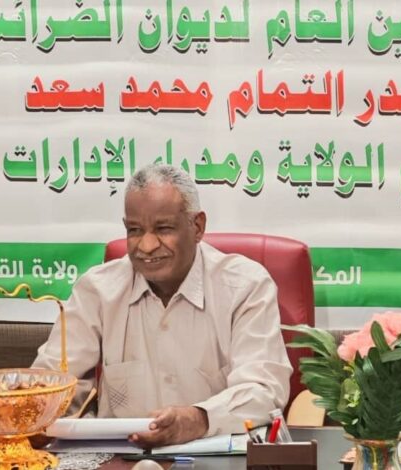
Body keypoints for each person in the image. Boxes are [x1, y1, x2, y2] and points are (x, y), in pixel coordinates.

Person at [32, 164, 292, 447]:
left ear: (197, 227)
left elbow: (263, 389)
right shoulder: (97, 290)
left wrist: (198, 419)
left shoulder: (245, 286)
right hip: (120, 456)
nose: (146, 245)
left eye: (163, 229)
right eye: (134, 230)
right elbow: (52, 384)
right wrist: (39, 415)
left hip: (217, 455)